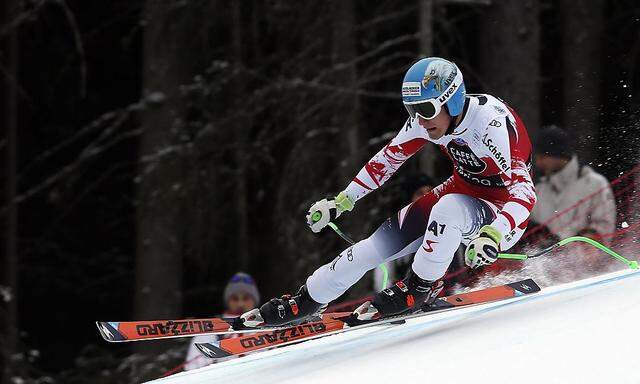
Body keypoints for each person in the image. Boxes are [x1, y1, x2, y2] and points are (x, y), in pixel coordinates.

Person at [242, 57, 536, 326]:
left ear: (453, 102)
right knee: (372, 247)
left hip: (502, 211)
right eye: (412, 110)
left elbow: (524, 193)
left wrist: (494, 233)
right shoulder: (431, 119)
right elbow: (388, 159)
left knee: (448, 207)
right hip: (463, 189)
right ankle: (307, 300)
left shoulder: (490, 125)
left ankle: (421, 286)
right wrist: (343, 200)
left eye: (426, 110)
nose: (420, 119)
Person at [530, 125, 616, 242]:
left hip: (584, 260)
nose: (538, 162)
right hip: (542, 260)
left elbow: (605, 226)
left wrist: (590, 236)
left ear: (558, 154)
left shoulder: (595, 184)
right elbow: (530, 228)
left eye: (542, 157)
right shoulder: (539, 189)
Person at [184, 272, 260, 370]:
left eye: (246, 298)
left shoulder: (269, 329)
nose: (240, 303)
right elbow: (192, 368)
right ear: (228, 300)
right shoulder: (210, 330)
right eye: (235, 299)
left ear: (254, 300)